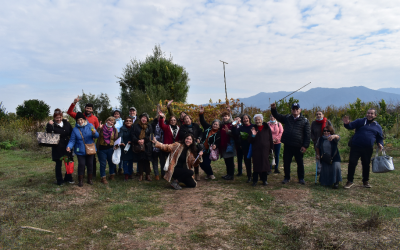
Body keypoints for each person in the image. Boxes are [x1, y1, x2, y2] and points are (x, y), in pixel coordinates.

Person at [342, 109, 384, 189]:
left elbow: (380, 138)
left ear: (375, 115)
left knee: (366, 164)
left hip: (368, 148)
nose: (369, 115)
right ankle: (349, 181)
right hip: (356, 147)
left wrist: (380, 144)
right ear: (366, 114)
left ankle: (365, 181)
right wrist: (347, 123)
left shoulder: (377, 126)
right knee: (352, 163)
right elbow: (350, 126)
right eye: (368, 113)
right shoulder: (360, 121)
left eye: (372, 113)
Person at [271, 102, 311, 185]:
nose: (295, 110)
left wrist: (305, 146)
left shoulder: (305, 121)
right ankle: (286, 177)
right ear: (291, 110)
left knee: (300, 162)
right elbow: (277, 116)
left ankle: (301, 178)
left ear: (300, 110)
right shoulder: (287, 118)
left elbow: (308, 135)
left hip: (298, 146)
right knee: (286, 162)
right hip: (288, 144)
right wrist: (274, 109)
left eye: (297, 109)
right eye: (293, 109)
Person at [67, 96, 100, 177]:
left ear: (92, 110)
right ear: (85, 108)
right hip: (80, 143)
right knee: (82, 163)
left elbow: (97, 130)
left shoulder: (95, 119)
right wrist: (74, 103)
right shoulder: (80, 116)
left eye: (90, 108)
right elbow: (69, 112)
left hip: (90, 143)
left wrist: (96, 132)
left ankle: (92, 176)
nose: (88, 109)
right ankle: (82, 176)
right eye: (87, 108)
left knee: (91, 162)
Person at [66, 112, 99, 187]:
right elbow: (72, 140)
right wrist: (69, 147)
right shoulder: (75, 129)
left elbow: (97, 135)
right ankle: (80, 180)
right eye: (78, 120)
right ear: (76, 121)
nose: (80, 122)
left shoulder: (90, 126)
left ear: (84, 119)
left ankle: (89, 179)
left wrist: (94, 132)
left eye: (81, 119)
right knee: (81, 164)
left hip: (90, 149)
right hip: (79, 150)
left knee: (90, 164)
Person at [46, 109, 74, 185]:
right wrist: (49, 125)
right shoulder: (51, 124)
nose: (58, 119)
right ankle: (59, 180)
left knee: (69, 162)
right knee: (59, 164)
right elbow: (48, 134)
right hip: (57, 146)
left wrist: (72, 144)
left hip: (67, 145)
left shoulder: (67, 123)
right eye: (57, 118)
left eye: (60, 117)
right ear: (54, 118)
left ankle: (68, 178)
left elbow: (72, 133)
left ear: (62, 117)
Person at [249, 114, 274, 186]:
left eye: (259, 119)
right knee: (256, 165)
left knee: (265, 165)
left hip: (265, 150)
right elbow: (249, 140)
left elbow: (270, 139)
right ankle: (255, 181)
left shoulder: (267, 127)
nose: (257, 121)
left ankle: (264, 180)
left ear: (262, 120)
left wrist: (272, 148)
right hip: (256, 150)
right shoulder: (253, 128)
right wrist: (253, 135)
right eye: (256, 120)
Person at [177, 114, 203, 180]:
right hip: (187, 145)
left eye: (187, 118)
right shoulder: (182, 127)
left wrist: (199, 138)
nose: (186, 120)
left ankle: (197, 173)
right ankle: (189, 173)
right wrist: (190, 139)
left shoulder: (196, 126)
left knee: (195, 158)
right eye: (185, 119)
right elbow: (182, 135)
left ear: (190, 119)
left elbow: (201, 132)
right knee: (188, 159)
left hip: (195, 145)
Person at [199, 105, 220, 180]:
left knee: (206, 163)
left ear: (219, 126)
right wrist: (201, 114)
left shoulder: (219, 133)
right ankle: (208, 174)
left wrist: (216, 146)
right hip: (202, 148)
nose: (215, 125)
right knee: (201, 163)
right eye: (214, 124)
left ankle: (211, 174)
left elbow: (218, 141)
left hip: (209, 150)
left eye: (216, 125)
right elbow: (202, 121)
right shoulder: (208, 128)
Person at [131, 113, 153, 181]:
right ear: (140, 118)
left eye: (145, 118)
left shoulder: (149, 126)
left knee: (147, 160)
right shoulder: (135, 126)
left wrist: (144, 140)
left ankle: (148, 175)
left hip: (147, 145)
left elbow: (151, 136)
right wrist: (137, 141)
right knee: (140, 160)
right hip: (138, 146)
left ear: (147, 119)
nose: (144, 119)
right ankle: (140, 175)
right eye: (143, 117)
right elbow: (132, 135)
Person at [158, 111, 180, 179]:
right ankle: (163, 173)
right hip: (167, 147)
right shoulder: (167, 127)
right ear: (169, 121)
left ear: (176, 121)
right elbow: (161, 125)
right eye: (171, 120)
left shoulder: (179, 128)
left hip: (175, 147)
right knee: (164, 161)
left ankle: (172, 174)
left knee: (173, 161)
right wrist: (161, 117)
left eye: (174, 120)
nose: (173, 121)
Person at [232, 114, 254, 183]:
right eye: (244, 119)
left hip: (254, 146)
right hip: (245, 147)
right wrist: (234, 126)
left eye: (246, 118)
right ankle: (249, 176)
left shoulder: (253, 126)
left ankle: (256, 175)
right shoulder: (241, 128)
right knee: (247, 162)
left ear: (249, 119)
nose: (245, 120)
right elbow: (235, 133)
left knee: (255, 161)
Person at [97, 117, 119, 184]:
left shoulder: (114, 130)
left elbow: (117, 139)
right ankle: (103, 177)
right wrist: (98, 128)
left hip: (110, 149)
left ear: (113, 124)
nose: (110, 122)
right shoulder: (101, 127)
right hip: (102, 149)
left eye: (112, 122)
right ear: (106, 120)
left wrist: (116, 146)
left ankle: (111, 175)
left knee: (111, 162)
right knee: (103, 163)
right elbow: (95, 135)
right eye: (109, 121)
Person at [311, 111, 332, 175]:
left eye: (320, 114)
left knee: (326, 155)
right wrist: (314, 139)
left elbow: (331, 130)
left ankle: (327, 169)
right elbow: (311, 132)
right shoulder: (314, 123)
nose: (318, 115)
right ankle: (319, 170)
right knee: (318, 155)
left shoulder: (327, 122)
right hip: (317, 142)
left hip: (326, 142)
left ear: (323, 115)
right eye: (317, 114)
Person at [219, 110, 236, 180]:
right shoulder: (221, 124)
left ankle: (231, 175)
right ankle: (228, 174)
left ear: (229, 117)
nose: (224, 117)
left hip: (230, 145)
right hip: (223, 144)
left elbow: (235, 133)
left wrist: (228, 131)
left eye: (226, 116)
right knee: (226, 160)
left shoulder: (232, 124)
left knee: (230, 161)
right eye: (223, 116)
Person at [151, 113, 164, 180]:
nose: (160, 117)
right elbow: (151, 133)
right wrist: (151, 139)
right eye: (159, 116)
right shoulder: (153, 124)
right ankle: (156, 174)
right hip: (154, 144)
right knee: (155, 160)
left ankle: (162, 173)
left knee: (162, 160)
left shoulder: (165, 124)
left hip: (162, 144)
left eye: (162, 116)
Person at [112, 108, 124, 175]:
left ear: (119, 115)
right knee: (114, 152)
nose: (116, 115)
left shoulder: (122, 121)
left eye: (117, 114)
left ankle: (120, 168)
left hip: (120, 139)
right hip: (113, 139)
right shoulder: (111, 121)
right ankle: (114, 168)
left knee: (120, 153)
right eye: (115, 114)